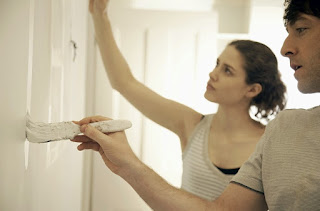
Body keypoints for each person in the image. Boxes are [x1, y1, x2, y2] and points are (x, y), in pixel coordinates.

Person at [71, 0, 320, 210]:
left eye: (228, 70)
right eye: (216, 64)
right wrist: (99, 15)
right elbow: (124, 82)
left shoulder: (274, 141)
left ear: (252, 90)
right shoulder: (192, 124)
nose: (213, 74)